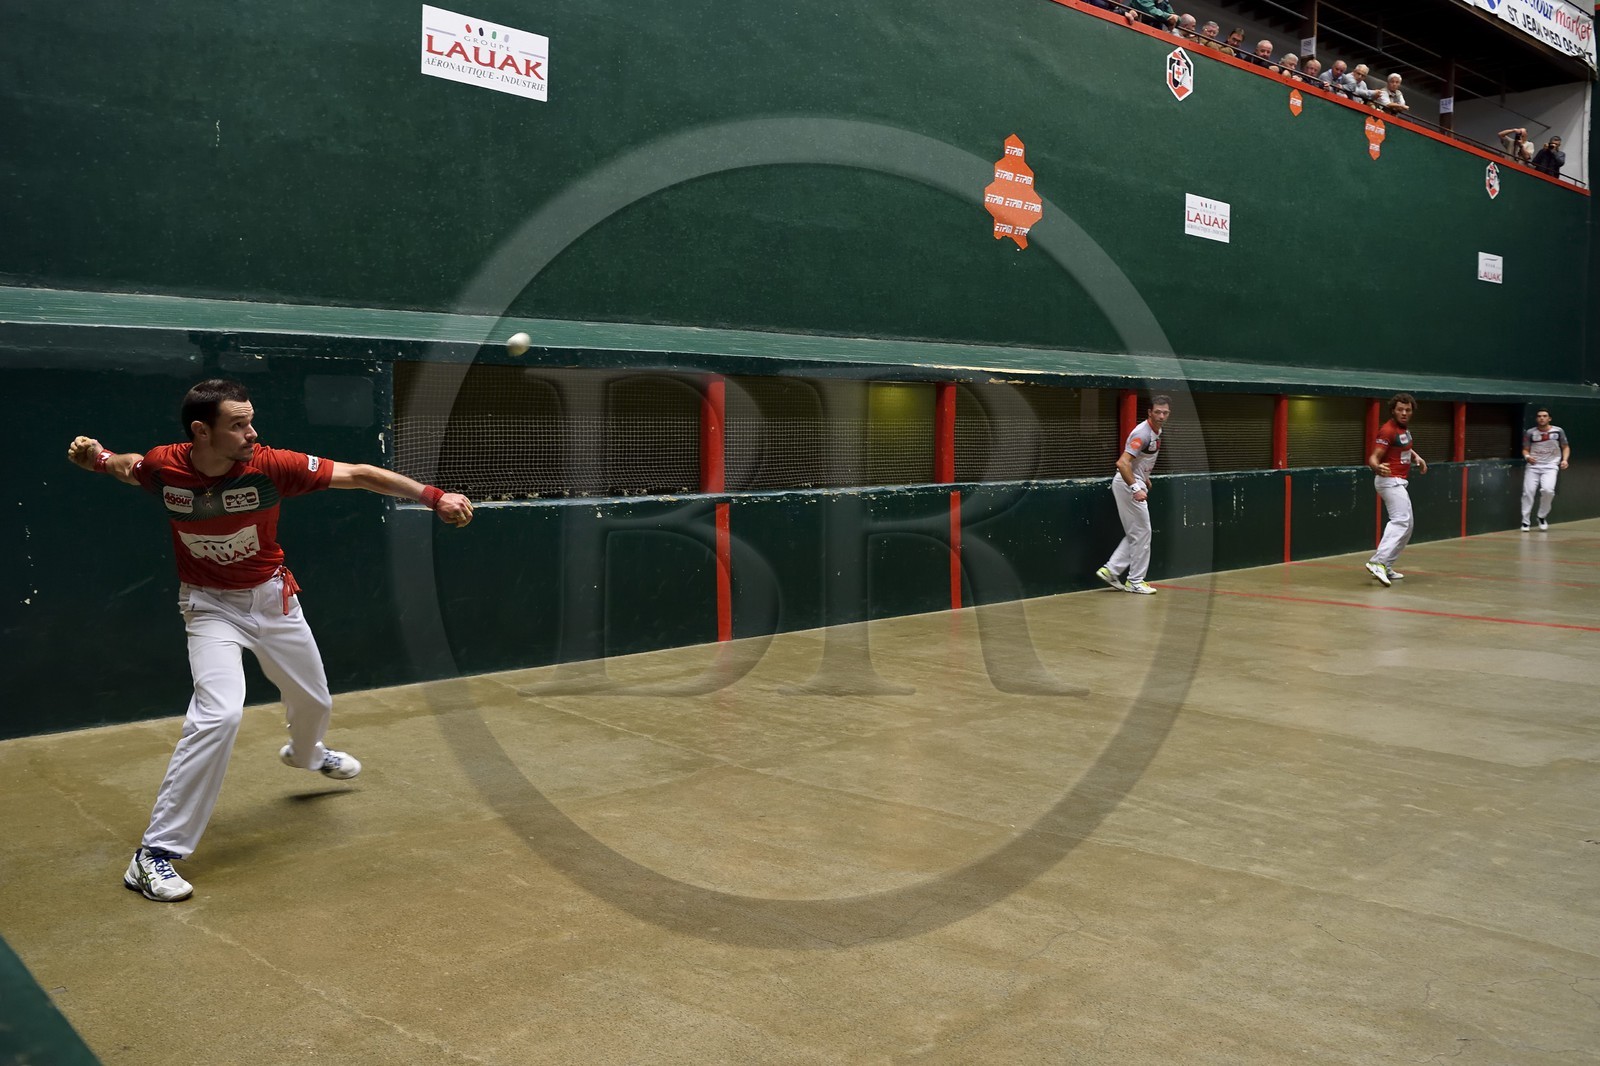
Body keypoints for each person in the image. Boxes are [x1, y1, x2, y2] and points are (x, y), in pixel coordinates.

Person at [67, 379, 475, 902]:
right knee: (219, 714)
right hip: (209, 608)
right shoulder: (166, 466)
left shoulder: (272, 465)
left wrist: (434, 497)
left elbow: (360, 474)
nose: (252, 432)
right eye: (238, 424)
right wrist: (99, 459)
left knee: (315, 700)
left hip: (273, 601)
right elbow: (131, 467)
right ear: (202, 431)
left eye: (251, 420)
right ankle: (155, 855)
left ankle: (307, 755)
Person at [1096, 395, 1171, 595]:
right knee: (1143, 532)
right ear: (1149, 412)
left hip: (1135, 480)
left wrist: (1144, 477)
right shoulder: (1142, 433)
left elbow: (1141, 460)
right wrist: (1135, 488)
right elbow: (1122, 463)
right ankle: (1135, 581)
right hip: (1127, 484)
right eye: (1157, 412)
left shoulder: (1157, 431)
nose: (1161, 416)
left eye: (1165, 413)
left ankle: (1111, 570)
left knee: (1137, 533)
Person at [1365, 393, 1428, 587]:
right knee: (1400, 521)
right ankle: (1378, 562)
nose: (1404, 413)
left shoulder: (1403, 430)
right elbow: (1373, 457)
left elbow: (1403, 447)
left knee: (1407, 526)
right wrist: (1377, 467)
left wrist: (1416, 457)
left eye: (1408, 410)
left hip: (1398, 481)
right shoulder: (1388, 430)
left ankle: (1386, 565)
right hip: (1389, 480)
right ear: (1393, 410)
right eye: (1400, 409)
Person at [1520, 408, 1571, 532]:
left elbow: (1565, 447)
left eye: (1544, 416)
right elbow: (1525, 449)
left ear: (1549, 418)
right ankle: (1525, 521)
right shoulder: (1530, 432)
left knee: (1548, 490)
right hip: (1533, 466)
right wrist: (1527, 457)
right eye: (1539, 416)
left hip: (1551, 466)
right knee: (1528, 492)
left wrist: (1565, 460)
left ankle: (1541, 516)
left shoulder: (1558, 431)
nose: (1542, 418)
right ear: (1536, 419)